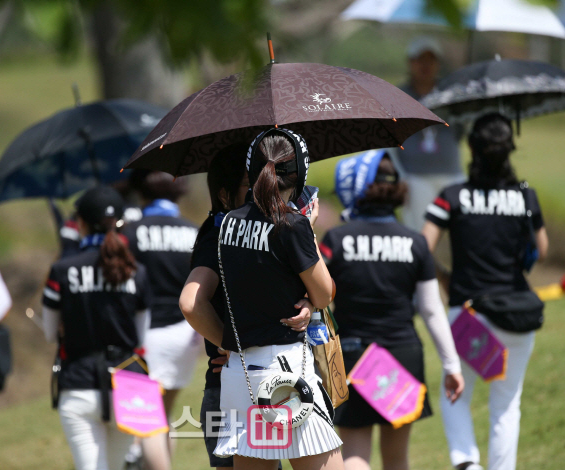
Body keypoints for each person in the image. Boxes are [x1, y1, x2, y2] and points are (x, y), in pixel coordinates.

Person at [184, 128, 344, 470]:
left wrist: (228, 340)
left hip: (240, 376)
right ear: (298, 174)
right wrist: (308, 232)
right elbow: (325, 292)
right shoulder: (292, 225)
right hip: (286, 373)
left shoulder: (226, 224)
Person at [320, 150, 464, 470]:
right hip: (404, 352)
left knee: (355, 455)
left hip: (352, 357)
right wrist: (451, 364)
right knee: (397, 459)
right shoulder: (415, 243)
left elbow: (316, 295)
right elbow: (430, 309)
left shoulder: (336, 239)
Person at [422, 113, 548, 470]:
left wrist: (446, 279)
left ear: (473, 149)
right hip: (516, 316)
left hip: (469, 316)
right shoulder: (526, 197)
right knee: (507, 405)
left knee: (456, 394)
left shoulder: (452, 196)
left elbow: (422, 248)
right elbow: (542, 247)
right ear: (509, 150)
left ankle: (466, 463)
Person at [41, 186, 169, 470]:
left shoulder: (62, 270)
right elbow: (139, 337)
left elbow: (50, 334)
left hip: (78, 383)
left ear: (80, 224)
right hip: (128, 385)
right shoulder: (138, 271)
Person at [122, 171, 200, 422]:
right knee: (163, 417)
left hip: (142, 333)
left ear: (140, 192)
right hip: (186, 334)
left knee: (141, 419)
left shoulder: (129, 233)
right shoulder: (196, 232)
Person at [390, 36, 465, 231]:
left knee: (457, 231)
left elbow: (461, 130)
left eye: (430, 60)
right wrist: (400, 175)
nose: (425, 65)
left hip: (451, 174)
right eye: (420, 60)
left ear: (437, 64)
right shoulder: (398, 96)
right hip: (415, 177)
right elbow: (390, 139)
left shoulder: (451, 94)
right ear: (411, 63)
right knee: (418, 231)